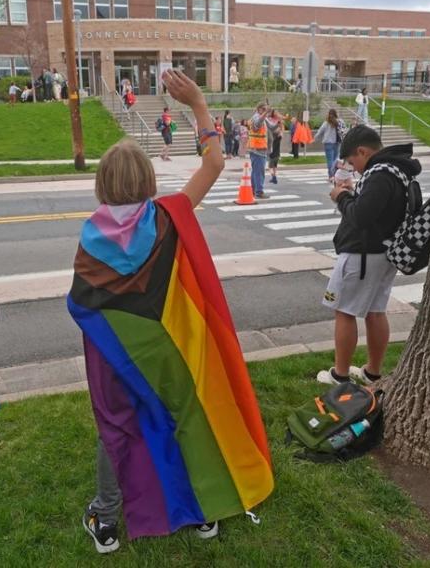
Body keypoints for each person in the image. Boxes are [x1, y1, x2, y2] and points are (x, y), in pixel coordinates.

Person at [67, 68, 274, 554]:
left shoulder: (90, 236)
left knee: (115, 426)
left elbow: (83, 303)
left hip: (117, 357)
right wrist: (198, 104)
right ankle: (204, 510)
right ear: (148, 180)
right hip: (171, 349)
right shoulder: (167, 216)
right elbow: (215, 163)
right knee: (187, 415)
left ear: (102, 184)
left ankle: (106, 518)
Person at [317, 127, 422, 387]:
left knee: (344, 311)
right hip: (384, 252)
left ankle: (340, 375)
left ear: (362, 151)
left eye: (353, 162)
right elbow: (375, 207)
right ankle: (372, 372)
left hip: (363, 253)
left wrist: (341, 196)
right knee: (375, 312)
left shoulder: (379, 174)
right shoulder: (397, 169)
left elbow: (361, 217)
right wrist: (355, 194)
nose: (355, 169)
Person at [248, 103, 274, 198]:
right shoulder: (256, 118)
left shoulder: (263, 118)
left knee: (256, 171)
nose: (265, 111)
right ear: (259, 109)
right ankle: (259, 191)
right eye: (264, 109)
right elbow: (258, 124)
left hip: (259, 149)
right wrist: (266, 113)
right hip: (257, 150)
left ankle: (254, 190)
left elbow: (272, 126)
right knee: (259, 172)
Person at [314, 109, 345, 181]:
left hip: (328, 143)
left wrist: (315, 138)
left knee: (329, 160)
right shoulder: (340, 121)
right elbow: (344, 130)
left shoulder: (326, 123)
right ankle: (335, 175)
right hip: (337, 142)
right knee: (335, 160)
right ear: (336, 114)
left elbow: (320, 131)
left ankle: (331, 176)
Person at [267, 110, 284, 184]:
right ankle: (274, 176)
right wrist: (281, 124)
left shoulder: (271, 138)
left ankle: (273, 177)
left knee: (270, 167)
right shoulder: (279, 137)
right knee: (275, 166)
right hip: (277, 154)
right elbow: (281, 131)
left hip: (271, 153)